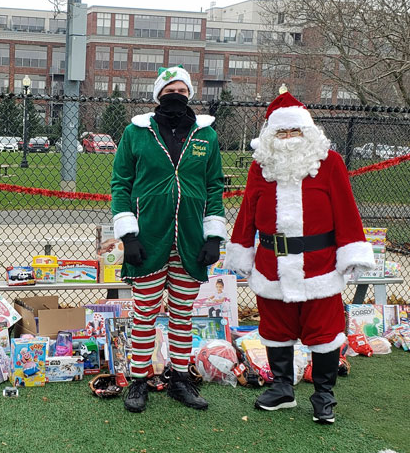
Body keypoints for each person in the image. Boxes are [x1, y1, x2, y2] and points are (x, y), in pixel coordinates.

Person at [223, 88, 374, 424]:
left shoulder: (331, 164)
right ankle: (281, 388)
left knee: (324, 331)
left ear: (308, 133)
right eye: (281, 132)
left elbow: (347, 211)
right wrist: (241, 250)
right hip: (271, 265)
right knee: (275, 327)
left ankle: (324, 395)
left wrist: (351, 254)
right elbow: (248, 210)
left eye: (294, 131)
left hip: (319, 265)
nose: (289, 138)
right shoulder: (260, 168)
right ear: (270, 136)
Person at [111, 66, 227, 412]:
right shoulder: (136, 133)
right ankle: (138, 381)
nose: (176, 94)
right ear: (158, 94)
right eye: (169, 88)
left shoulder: (207, 136)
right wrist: (128, 235)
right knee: (144, 313)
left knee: (181, 314)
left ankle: (180, 379)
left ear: (190, 93)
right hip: (148, 239)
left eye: (182, 88)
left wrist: (213, 237)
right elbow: (120, 185)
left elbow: (214, 187)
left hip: (191, 240)